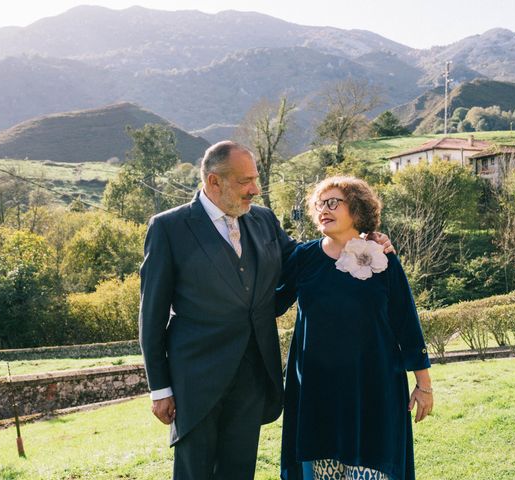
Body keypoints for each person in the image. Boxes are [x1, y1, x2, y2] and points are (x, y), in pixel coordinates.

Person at [139, 141, 393, 479]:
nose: (255, 190)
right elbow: (152, 315)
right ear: (214, 182)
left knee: (239, 470)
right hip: (195, 378)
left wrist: (362, 242)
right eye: (245, 181)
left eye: (255, 179)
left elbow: (302, 262)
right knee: (194, 472)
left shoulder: (262, 219)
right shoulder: (169, 228)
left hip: (254, 373)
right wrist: (160, 388)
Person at [277, 176, 433, 480]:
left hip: (373, 389)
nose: (324, 208)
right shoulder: (303, 258)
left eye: (334, 202)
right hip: (319, 393)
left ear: (357, 210)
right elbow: (270, 303)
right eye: (320, 203)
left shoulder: (382, 257)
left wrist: (424, 385)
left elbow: (406, 323)